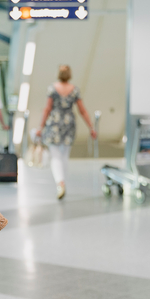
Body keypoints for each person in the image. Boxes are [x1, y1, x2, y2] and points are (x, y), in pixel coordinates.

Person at [36, 65, 97, 199]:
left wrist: (40, 127)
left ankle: (60, 182)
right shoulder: (74, 90)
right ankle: (62, 181)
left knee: (55, 155)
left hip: (55, 124)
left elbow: (47, 109)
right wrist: (91, 127)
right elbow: (82, 110)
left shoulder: (52, 89)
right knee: (64, 155)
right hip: (69, 124)